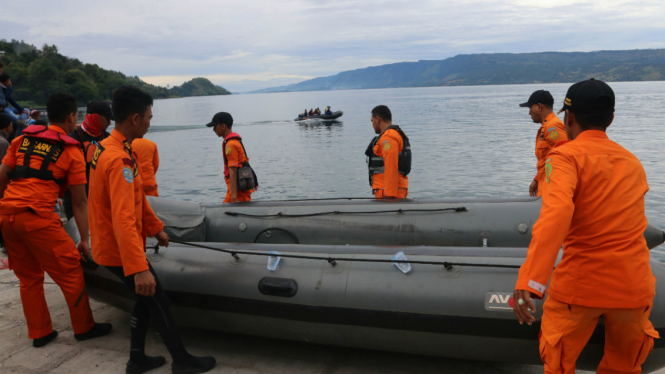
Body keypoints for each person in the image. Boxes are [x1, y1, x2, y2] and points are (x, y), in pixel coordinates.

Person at [513, 79, 659, 373]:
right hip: (634, 287)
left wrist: (530, 281)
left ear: (569, 117)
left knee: (558, 362)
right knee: (625, 367)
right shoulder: (633, 162)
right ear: (612, 119)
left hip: (582, 287)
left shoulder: (566, 158)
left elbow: (555, 217)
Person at [88, 85, 216, 374]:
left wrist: (155, 229)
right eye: (148, 116)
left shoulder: (106, 148)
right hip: (119, 249)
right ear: (134, 118)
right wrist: (138, 268)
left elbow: (137, 199)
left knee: (144, 302)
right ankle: (182, 361)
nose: (150, 121)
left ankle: (137, 359)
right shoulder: (119, 160)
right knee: (156, 299)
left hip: (111, 244)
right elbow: (122, 218)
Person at [0, 92, 112, 348]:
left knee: (29, 278)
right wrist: (84, 239)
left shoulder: (21, 139)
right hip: (37, 217)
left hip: (7, 217)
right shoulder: (72, 151)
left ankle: (40, 332)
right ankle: (84, 327)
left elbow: (2, 176)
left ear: (49, 115)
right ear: (72, 116)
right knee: (71, 270)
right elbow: (80, 201)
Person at [62, 101, 114, 219]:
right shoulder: (72, 136)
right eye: (108, 119)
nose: (110, 123)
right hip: (76, 199)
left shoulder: (108, 137)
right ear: (98, 118)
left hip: (101, 196)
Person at [519, 90, 568, 197]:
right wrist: (537, 179)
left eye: (530, 108)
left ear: (539, 107)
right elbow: (547, 160)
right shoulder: (547, 126)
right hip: (545, 187)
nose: (529, 113)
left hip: (553, 191)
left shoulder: (552, 127)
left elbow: (563, 159)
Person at [206, 112, 256, 203]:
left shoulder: (230, 145)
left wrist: (233, 198)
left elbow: (233, 171)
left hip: (237, 193)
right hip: (236, 190)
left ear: (223, 126)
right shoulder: (235, 141)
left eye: (215, 126)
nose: (213, 130)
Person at [365, 105, 410, 199]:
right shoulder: (391, 135)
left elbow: (391, 167)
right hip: (388, 191)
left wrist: (390, 197)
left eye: (372, 121)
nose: (372, 125)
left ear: (378, 119)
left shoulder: (388, 137)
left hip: (389, 193)